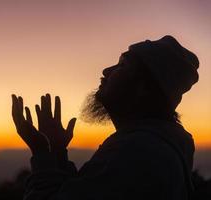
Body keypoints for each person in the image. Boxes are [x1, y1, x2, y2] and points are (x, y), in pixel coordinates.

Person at [11, 35, 199, 200]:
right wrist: (57, 150)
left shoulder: (136, 151)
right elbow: (81, 191)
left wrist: (41, 152)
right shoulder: (158, 143)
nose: (106, 71)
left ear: (144, 88)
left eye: (122, 65)